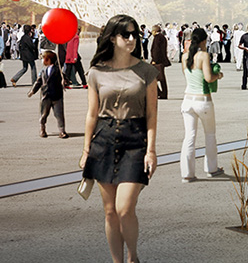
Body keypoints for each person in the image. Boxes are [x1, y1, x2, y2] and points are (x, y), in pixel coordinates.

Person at [81, 13, 159, 263]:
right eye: (126, 34)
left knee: (125, 209)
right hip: (103, 141)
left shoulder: (147, 71)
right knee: (110, 212)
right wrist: (85, 150)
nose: (132, 39)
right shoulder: (96, 72)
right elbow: (92, 113)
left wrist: (151, 151)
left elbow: (151, 115)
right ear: (113, 38)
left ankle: (132, 257)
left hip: (135, 142)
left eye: (135, 34)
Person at [179, 27, 223, 182]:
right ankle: (211, 168)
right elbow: (208, 77)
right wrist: (219, 75)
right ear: (204, 41)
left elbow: (186, 75)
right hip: (202, 100)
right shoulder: (203, 56)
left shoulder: (185, 56)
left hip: (187, 100)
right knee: (210, 134)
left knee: (189, 136)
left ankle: (187, 173)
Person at [29, 49, 67, 138]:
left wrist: (64, 81)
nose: (42, 60)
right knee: (43, 114)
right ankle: (42, 129)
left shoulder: (57, 70)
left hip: (57, 95)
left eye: (43, 58)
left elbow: (64, 78)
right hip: (45, 95)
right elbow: (38, 82)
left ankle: (62, 131)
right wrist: (33, 91)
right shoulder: (43, 71)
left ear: (48, 59)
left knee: (59, 114)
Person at [149, 26, 170, 101]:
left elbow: (156, 49)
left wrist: (154, 59)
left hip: (157, 61)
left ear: (155, 31)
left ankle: (161, 93)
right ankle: (163, 93)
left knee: (152, 77)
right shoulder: (162, 37)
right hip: (160, 60)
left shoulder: (158, 38)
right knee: (161, 78)